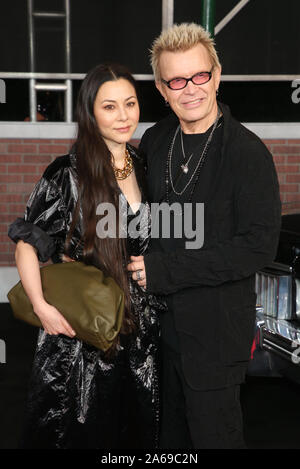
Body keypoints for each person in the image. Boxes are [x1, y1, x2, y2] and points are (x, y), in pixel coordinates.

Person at [127, 23, 282, 449]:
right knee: (166, 442)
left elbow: (256, 246)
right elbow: (142, 220)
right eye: (177, 80)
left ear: (216, 75)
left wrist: (163, 269)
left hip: (214, 337)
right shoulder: (156, 140)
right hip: (157, 329)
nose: (190, 89)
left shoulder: (247, 154)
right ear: (162, 88)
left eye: (200, 75)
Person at [8, 63, 165, 449]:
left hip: (141, 326)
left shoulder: (144, 165)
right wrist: (42, 307)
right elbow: (27, 242)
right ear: (90, 112)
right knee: (80, 429)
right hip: (84, 329)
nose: (123, 115)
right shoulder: (67, 173)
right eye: (109, 106)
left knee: (135, 429)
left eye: (129, 103)